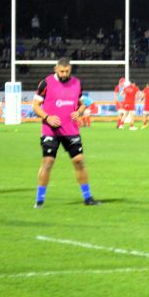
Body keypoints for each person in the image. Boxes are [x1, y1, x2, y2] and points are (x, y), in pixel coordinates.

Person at [31, 58, 100, 208]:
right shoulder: (46, 83)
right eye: (62, 71)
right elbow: (35, 106)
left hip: (71, 130)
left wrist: (79, 112)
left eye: (67, 71)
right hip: (51, 131)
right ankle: (39, 200)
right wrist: (47, 117)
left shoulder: (76, 83)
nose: (64, 74)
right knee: (48, 163)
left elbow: (82, 103)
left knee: (79, 162)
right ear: (56, 69)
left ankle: (88, 198)